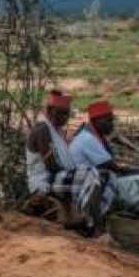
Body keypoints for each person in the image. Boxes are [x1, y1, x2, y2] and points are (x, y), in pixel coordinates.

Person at [25, 90, 115, 236]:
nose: (64, 118)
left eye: (66, 113)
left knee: (107, 175)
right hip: (44, 181)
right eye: (60, 113)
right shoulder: (42, 130)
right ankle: (94, 225)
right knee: (90, 174)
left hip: (56, 176)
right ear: (49, 111)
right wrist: (76, 171)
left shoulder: (57, 130)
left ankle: (89, 218)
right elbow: (52, 167)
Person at [69, 99, 139, 215]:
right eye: (109, 121)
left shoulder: (91, 136)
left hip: (95, 183)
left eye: (112, 121)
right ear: (96, 120)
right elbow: (117, 169)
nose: (112, 125)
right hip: (89, 189)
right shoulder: (88, 139)